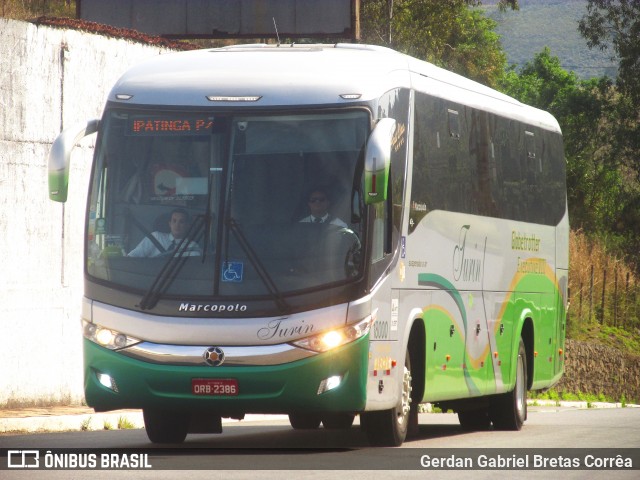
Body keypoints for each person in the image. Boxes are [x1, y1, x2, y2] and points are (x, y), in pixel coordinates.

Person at [128, 208, 201, 257]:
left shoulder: (192, 247)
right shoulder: (156, 237)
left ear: (187, 225)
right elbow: (132, 257)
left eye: (181, 222)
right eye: (174, 221)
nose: (177, 225)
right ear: (170, 224)